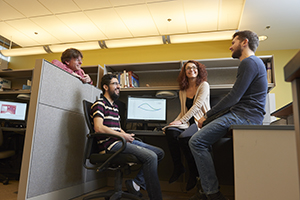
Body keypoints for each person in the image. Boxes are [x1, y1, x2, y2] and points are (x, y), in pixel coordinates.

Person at [189, 30, 268, 200]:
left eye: (234, 42)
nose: (230, 47)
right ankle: (205, 188)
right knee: (204, 141)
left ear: (244, 42)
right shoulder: (255, 63)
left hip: (243, 116)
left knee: (196, 141)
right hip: (246, 115)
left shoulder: (249, 63)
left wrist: (206, 116)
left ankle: (212, 193)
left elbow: (234, 97)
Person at [91, 74, 164, 200]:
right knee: (151, 157)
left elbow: (117, 128)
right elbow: (98, 128)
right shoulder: (100, 103)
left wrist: (126, 134)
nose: (118, 86)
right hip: (111, 145)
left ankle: (136, 183)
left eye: (118, 84)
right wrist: (122, 136)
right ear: (105, 87)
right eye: (115, 84)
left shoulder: (115, 107)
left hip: (120, 141)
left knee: (159, 153)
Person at [164, 60, 210, 191]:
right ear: (185, 72)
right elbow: (183, 111)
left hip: (201, 121)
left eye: (194, 67)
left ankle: (193, 173)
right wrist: (173, 123)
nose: (191, 70)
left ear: (198, 70)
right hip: (188, 122)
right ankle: (178, 167)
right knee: (170, 132)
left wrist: (181, 121)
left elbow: (197, 106)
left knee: (184, 138)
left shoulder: (204, 85)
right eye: (188, 68)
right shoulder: (183, 90)